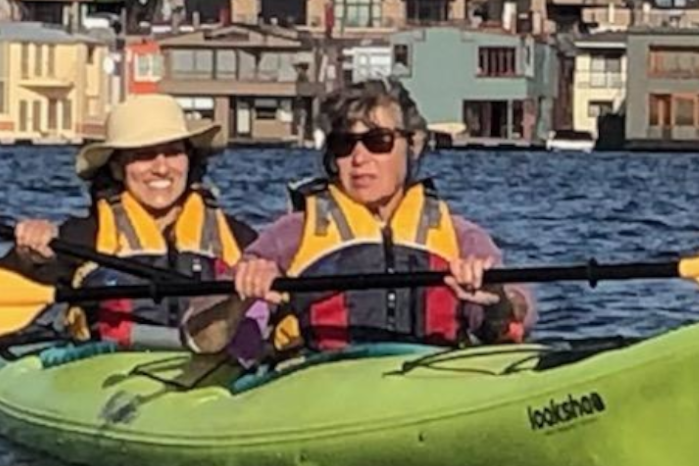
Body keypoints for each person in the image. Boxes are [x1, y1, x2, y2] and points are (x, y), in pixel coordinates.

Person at [189, 78, 532, 360]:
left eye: (377, 141)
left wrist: (497, 299)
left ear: (413, 145)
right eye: (344, 144)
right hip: (318, 386)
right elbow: (202, 338)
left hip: (431, 380)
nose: (359, 158)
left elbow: (510, 329)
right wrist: (241, 294)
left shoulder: (462, 239)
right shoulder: (290, 235)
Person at [0, 94, 256, 350]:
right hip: (105, 373)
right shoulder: (82, 238)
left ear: (189, 161)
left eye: (173, 152)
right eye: (144, 155)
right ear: (117, 167)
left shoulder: (237, 239)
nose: (162, 168)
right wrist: (26, 260)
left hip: (212, 373)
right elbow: (1, 303)